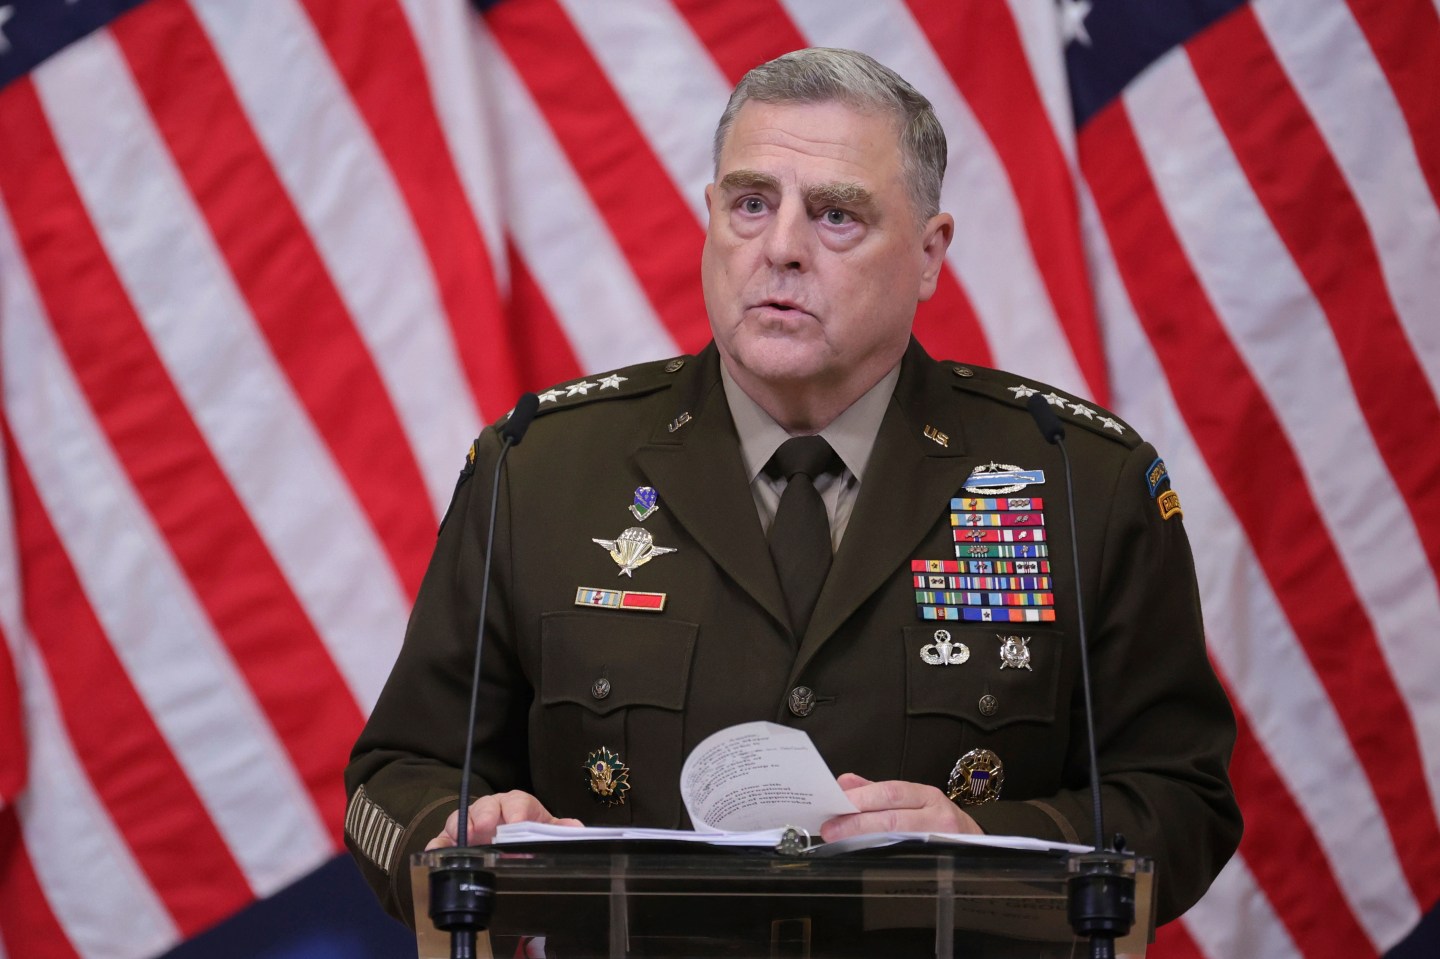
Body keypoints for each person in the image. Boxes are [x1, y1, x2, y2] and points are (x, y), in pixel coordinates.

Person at [344, 47, 1241, 931]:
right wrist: (455, 830)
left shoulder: (1079, 481)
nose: (780, 249)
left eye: (836, 215)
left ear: (930, 254)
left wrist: (991, 844)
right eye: (750, 204)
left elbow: (1183, 799)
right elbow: (392, 781)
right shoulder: (539, 469)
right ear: (710, 218)